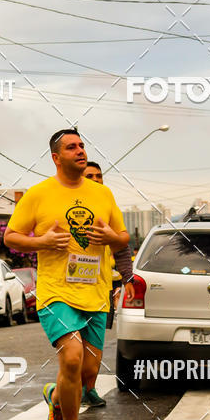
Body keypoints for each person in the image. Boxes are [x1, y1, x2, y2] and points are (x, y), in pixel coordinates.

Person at [4, 129, 129, 420]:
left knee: (87, 374)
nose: (80, 150)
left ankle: (56, 396)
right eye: (71, 147)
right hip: (55, 292)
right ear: (57, 157)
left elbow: (123, 237)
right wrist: (42, 242)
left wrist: (109, 237)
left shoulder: (102, 194)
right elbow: (12, 237)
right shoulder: (38, 194)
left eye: (82, 145)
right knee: (71, 358)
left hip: (96, 294)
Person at [82, 161, 136, 406]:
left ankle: (89, 388)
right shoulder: (62, 202)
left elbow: (122, 247)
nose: (95, 179)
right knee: (72, 351)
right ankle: (65, 393)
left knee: (93, 351)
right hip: (64, 291)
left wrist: (128, 278)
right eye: (89, 175)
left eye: (99, 175)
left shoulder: (107, 205)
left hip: (99, 288)